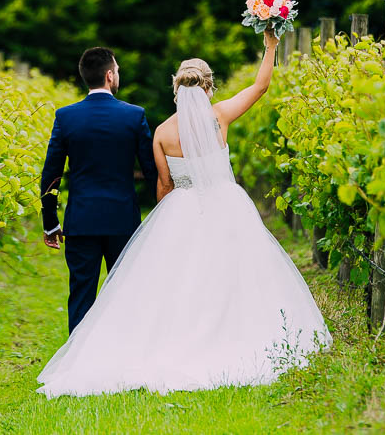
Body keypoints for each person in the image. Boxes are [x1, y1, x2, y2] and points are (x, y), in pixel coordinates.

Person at [37, 29, 332, 398]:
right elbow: (259, 87)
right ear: (208, 87)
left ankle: (95, 353)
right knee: (231, 278)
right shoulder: (216, 116)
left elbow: (162, 184)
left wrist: (166, 220)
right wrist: (271, 46)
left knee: (162, 285)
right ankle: (229, 335)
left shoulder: (160, 131)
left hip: (153, 211)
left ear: (176, 88)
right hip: (222, 208)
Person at [39, 46, 157, 334]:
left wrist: (50, 223)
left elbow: (51, 175)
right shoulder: (134, 116)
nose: (118, 75)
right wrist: (161, 211)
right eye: (116, 71)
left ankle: (78, 369)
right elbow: (152, 170)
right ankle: (122, 360)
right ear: (108, 75)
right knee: (125, 294)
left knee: (81, 295)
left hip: (81, 221)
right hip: (123, 221)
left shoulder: (66, 117)